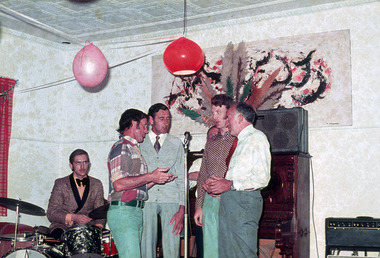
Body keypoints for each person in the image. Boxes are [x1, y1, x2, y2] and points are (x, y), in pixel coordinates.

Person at [203, 102, 271, 258]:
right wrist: (218, 182)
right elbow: (240, 175)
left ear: (240, 118)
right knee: (226, 253)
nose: (226, 122)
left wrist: (230, 185)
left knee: (243, 253)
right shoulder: (239, 141)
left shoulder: (257, 138)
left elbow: (262, 178)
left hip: (244, 203)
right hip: (230, 201)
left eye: (229, 118)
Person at [107, 108, 176, 258]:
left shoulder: (132, 148)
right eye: (144, 126)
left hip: (134, 211)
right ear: (133, 124)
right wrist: (150, 175)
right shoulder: (122, 147)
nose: (146, 131)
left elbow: (135, 185)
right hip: (124, 212)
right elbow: (119, 184)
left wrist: (157, 179)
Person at [140, 103, 185, 258]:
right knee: (146, 244)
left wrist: (182, 208)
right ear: (151, 120)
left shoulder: (176, 143)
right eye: (161, 119)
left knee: (172, 246)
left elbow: (181, 176)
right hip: (147, 199)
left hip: (171, 199)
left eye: (168, 119)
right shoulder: (140, 142)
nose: (166, 122)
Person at [193, 94, 236, 258]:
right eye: (213, 112)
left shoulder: (238, 140)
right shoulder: (212, 140)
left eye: (219, 112)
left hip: (230, 199)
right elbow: (203, 171)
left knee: (228, 248)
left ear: (229, 112)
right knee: (210, 249)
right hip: (209, 201)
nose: (215, 117)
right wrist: (199, 205)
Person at [47, 149, 106, 239]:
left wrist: (98, 226)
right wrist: (73, 217)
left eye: (85, 162)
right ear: (71, 165)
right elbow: (51, 213)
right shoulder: (60, 183)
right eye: (78, 163)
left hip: (88, 227)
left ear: (89, 164)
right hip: (63, 227)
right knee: (56, 236)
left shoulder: (97, 184)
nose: (82, 166)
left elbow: (100, 211)